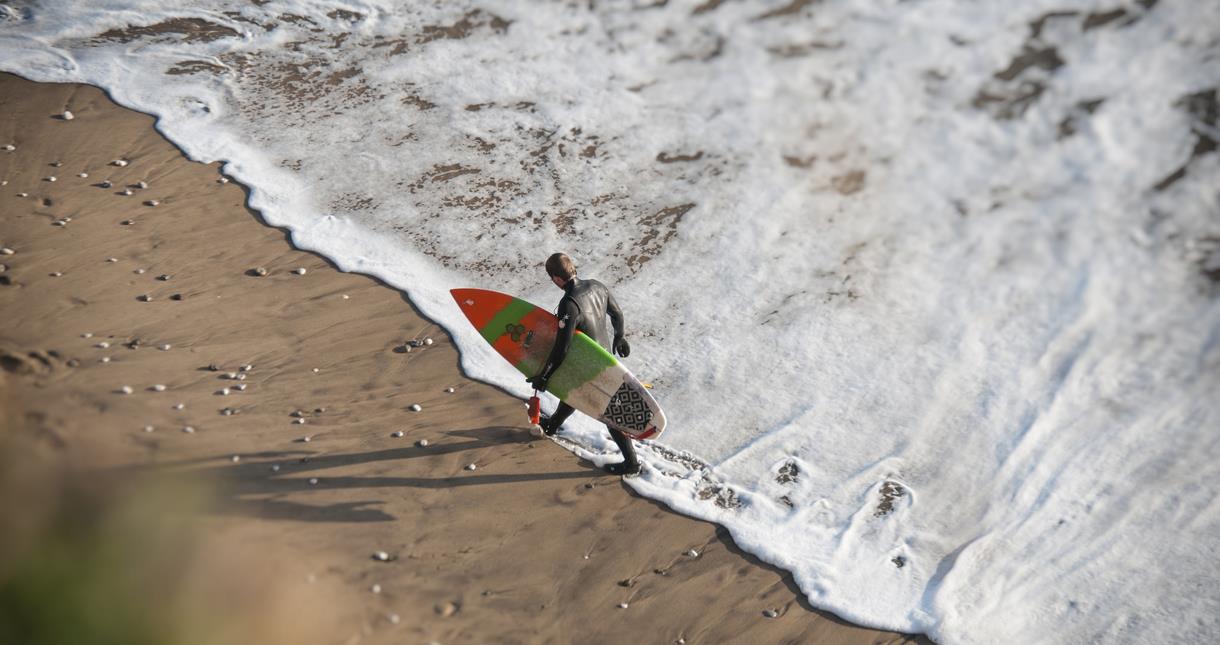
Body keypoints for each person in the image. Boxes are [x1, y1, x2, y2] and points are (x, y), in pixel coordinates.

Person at [527, 253, 640, 476]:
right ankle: (552, 426)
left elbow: (563, 348)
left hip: (591, 366)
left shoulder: (569, 305)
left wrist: (545, 376)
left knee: (607, 414)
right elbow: (616, 313)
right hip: (607, 359)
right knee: (574, 391)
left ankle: (632, 464)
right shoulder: (597, 286)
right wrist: (620, 337)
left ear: (556, 278)